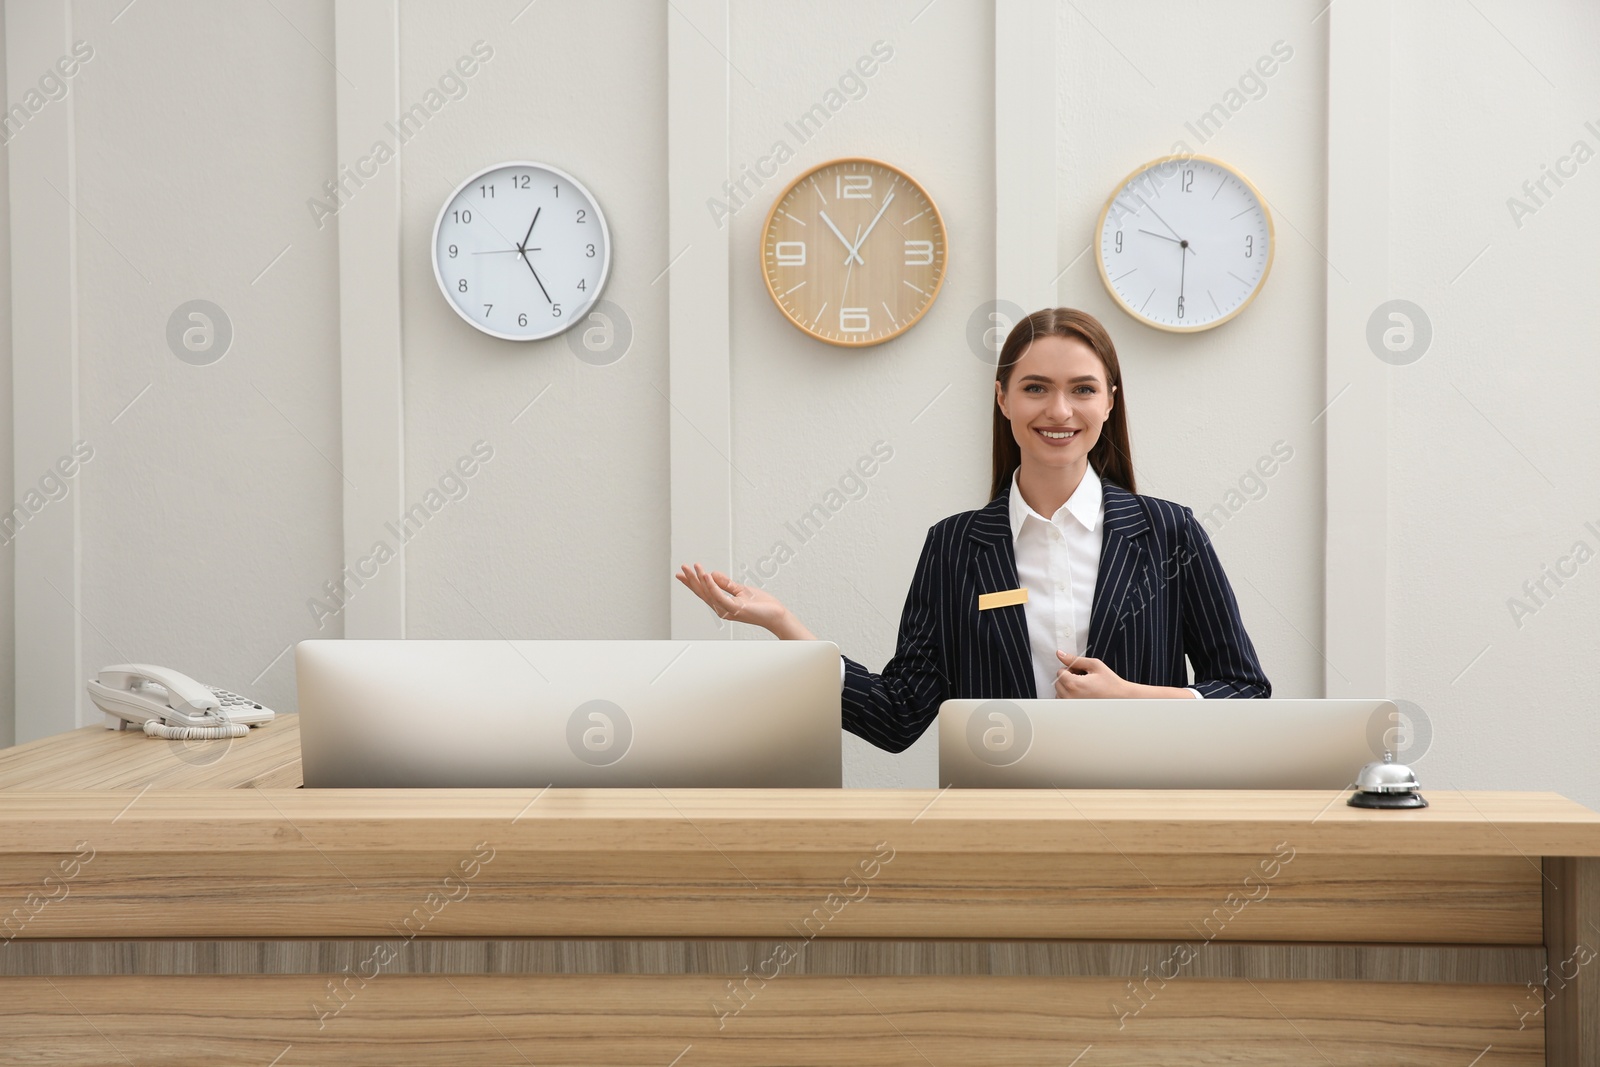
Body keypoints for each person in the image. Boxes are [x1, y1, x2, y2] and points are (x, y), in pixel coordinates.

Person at [676, 307, 1270, 754]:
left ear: (1110, 402)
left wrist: (1135, 699)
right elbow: (897, 716)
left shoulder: (1169, 533)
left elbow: (1246, 692)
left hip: (1148, 822)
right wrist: (784, 624)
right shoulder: (955, 548)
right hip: (996, 831)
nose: (1059, 411)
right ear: (1003, 400)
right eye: (1035, 388)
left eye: (1082, 389)